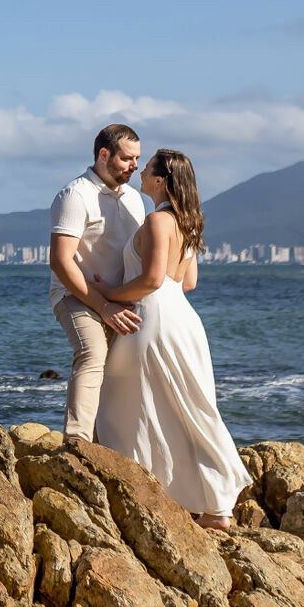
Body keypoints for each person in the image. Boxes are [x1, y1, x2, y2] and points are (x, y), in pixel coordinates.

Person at [88, 148, 251, 529]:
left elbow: (152, 280)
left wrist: (105, 293)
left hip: (152, 319)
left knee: (126, 408)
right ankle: (214, 506)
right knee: (186, 408)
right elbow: (188, 282)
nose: (140, 173)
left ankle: (151, 493)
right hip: (184, 320)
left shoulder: (159, 220)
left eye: (146, 169)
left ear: (160, 180)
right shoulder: (189, 222)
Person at [48, 124, 147, 442]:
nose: (135, 166)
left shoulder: (135, 198)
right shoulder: (75, 195)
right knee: (92, 353)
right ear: (104, 154)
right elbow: (61, 261)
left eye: (138, 159)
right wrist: (103, 306)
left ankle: (110, 443)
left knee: (126, 369)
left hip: (120, 299)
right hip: (75, 294)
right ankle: (76, 444)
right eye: (127, 158)